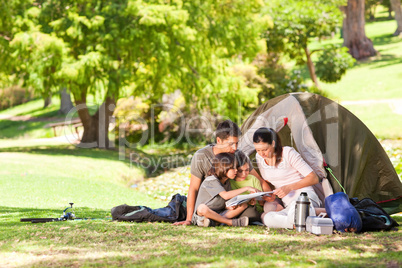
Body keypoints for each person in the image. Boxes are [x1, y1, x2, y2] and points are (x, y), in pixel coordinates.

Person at [174, 120, 270, 226]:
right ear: (219, 140)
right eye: (231, 144)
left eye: (237, 143)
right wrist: (188, 219)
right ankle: (221, 220)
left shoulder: (239, 155)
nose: (235, 148)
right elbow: (194, 188)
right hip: (210, 204)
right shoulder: (201, 156)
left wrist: (271, 199)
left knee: (252, 214)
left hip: (228, 205)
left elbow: (259, 180)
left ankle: (215, 220)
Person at [253, 127, 321, 228]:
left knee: (295, 209)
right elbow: (270, 181)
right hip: (288, 205)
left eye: (265, 149)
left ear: (273, 143)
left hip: (305, 197)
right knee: (268, 217)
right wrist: (271, 195)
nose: (262, 153)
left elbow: (314, 178)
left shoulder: (288, 153)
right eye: (258, 150)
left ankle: (300, 218)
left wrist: (289, 187)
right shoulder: (259, 158)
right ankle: (297, 222)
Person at [192, 153, 260, 227]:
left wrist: (229, 206)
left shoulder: (227, 182)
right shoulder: (211, 180)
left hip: (219, 213)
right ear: (223, 168)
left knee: (243, 205)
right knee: (202, 208)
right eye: (233, 168)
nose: (236, 170)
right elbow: (225, 195)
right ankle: (230, 222)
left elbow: (223, 202)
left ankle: (216, 222)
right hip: (203, 216)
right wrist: (246, 188)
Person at [230, 151, 283, 223]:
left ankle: (279, 212)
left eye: (247, 170)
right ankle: (277, 217)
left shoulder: (252, 178)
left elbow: (262, 202)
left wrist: (259, 198)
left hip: (263, 206)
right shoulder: (231, 182)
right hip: (251, 210)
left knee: (269, 207)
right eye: (240, 171)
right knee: (264, 216)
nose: (244, 174)